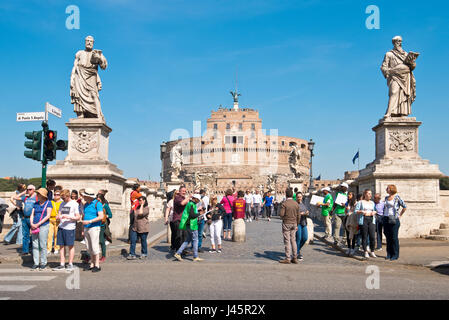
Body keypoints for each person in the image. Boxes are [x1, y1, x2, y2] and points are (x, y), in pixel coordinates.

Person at [53, 189, 80, 271]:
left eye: (64, 198)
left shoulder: (74, 204)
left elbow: (78, 217)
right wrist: (58, 216)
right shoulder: (62, 203)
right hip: (61, 226)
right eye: (62, 198)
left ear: (68, 196)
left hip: (70, 227)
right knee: (61, 246)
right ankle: (62, 263)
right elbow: (60, 214)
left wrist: (69, 217)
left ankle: (70, 263)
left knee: (70, 246)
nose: (63, 199)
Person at [174, 194, 203, 262]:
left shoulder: (189, 204)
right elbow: (192, 215)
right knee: (195, 240)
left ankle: (178, 253)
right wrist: (199, 213)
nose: (198, 201)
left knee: (187, 240)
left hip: (188, 224)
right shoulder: (192, 204)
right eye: (198, 200)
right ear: (195, 199)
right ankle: (195, 256)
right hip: (192, 225)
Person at [81, 188, 104, 272]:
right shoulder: (86, 204)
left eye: (85, 196)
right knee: (88, 247)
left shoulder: (98, 204)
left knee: (95, 246)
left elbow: (101, 216)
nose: (84, 197)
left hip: (94, 227)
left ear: (89, 196)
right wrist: (83, 228)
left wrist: (90, 221)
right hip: (87, 227)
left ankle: (97, 265)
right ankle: (92, 263)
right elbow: (85, 215)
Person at [29, 188, 52, 270]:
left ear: (42, 195)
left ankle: (43, 262)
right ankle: (36, 262)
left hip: (43, 225)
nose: (37, 195)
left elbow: (48, 216)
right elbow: (32, 214)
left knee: (42, 244)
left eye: (38, 194)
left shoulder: (48, 203)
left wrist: (38, 224)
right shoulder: (36, 204)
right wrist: (32, 223)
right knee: (34, 244)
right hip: (34, 225)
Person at [11, 184, 38, 256]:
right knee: (25, 235)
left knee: (34, 235)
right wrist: (24, 192)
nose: (28, 191)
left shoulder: (37, 198)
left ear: (33, 190)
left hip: (33, 218)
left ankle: (33, 249)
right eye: (27, 189)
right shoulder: (25, 198)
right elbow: (15, 197)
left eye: (30, 189)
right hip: (25, 217)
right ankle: (25, 250)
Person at [383, 185, 407, 261]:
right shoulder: (386, 198)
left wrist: (399, 215)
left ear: (391, 189)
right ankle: (389, 254)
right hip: (386, 218)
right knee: (388, 237)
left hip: (393, 219)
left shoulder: (397, 197)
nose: (386, 189)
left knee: (394, 237)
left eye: (388, 188)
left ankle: (395, 254)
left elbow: (404, 206)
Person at [279, 188, 300, 264]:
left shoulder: (284, 203)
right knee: (293, 240)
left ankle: (288, 258)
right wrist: (297, 224)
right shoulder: (296, 204)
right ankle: (295, 257)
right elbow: (298, 216)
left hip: (286, 223)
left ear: (286, 194)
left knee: (287, 241)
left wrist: (284, 218)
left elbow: (281, 214)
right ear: (292, 195)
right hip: (294, 223)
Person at [355, 189, 377, 259]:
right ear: (365, 194)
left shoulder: (372, 203)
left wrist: (374, 212)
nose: (370, 195)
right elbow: (356, 211)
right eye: (369, 193)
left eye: (371, 193)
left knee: (372, 236)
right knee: (364, 236)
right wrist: (362, 211)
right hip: (363, 219)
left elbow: (375, 210)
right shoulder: (361, 202)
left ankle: (372, 251)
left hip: (371, 219)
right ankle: (365, 251)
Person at [173, 186, 190, 253]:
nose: (184, 192)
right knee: (179, 236)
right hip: (178, 219)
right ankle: (177, 250)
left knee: (184, 236)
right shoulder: (177, 197)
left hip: (184, 220)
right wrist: (189, 197)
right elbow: (182, 203)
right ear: (179, 191)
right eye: (183, 191)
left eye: (185, 191)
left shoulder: (184, 198)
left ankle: (183, 249)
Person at [47, 187, 63, 255]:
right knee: (49, 235)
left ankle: (56, 248)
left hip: (58, 220)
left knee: (56, 235)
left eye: (58, 194)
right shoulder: (51, 202)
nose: (56, 196)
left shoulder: (62, 203)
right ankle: (49, 248)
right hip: (51, 219)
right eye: (55, 194)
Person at [97, 193, 112, 262]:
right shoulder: (95, 205)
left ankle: (103, 255)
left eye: (99, 200)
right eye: (97, 200)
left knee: (101, 240)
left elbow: (110, 215)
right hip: (95, 224)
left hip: (102, 225)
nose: (98, 201)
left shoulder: (105, 206)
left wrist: (105, 216)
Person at [295, 192, 309, 261]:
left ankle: (297, 249)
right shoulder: (295, 205)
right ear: (296, 197)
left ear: (302, 197)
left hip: (304, 223)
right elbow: (294, 214)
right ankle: (297, 253)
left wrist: (307, 213)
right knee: (298, 238)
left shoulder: (304, 204)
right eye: (298, 197)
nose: (299, 198)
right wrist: (301, 214)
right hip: (298, 223)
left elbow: (306, 211)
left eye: (300, 197)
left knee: (305, 238)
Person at [344, 192, 358, 256]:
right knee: (347, 233)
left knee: (353, 233)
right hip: (347, 218)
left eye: (350, 194)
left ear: (353, 195)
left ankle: (353, 248)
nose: (348, 195)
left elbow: (355, 211)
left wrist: (349, 210)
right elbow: (345, 212)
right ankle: (349, 247)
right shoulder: (347, 202)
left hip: (353, 218)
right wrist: (346, 209)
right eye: (348, 194)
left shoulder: (355, 203)